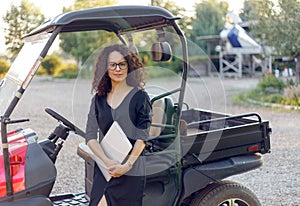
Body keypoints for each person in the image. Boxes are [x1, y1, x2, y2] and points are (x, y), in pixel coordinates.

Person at [85, 44, 152, 206]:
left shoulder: (140, 97)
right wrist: (107, 161)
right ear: (105, 68)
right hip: (105, 166)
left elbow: (142, 138)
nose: (118, 69)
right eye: (112, 65)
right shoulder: (98, 99)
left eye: (122, 64)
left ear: (129, 67)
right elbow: (90, 136)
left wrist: (127, 165)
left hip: (131, 167)